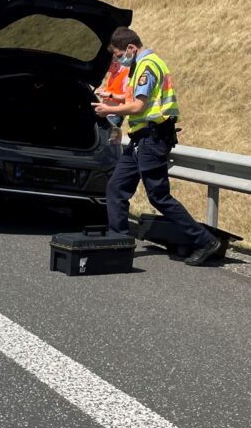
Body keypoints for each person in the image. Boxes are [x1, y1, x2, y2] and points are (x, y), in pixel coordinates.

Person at [94, 27, 222, 266]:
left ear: (131, 48)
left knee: (159, 196)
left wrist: (108, 109)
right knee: (116, 187)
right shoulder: (142, 65)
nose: (120, 59)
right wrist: (111, 95)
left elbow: (139, 107)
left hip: (152, 139)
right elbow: (137, 99)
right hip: (140, 140)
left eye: (121, 54)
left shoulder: (147, 65)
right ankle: (119, 242)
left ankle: (205, 241)